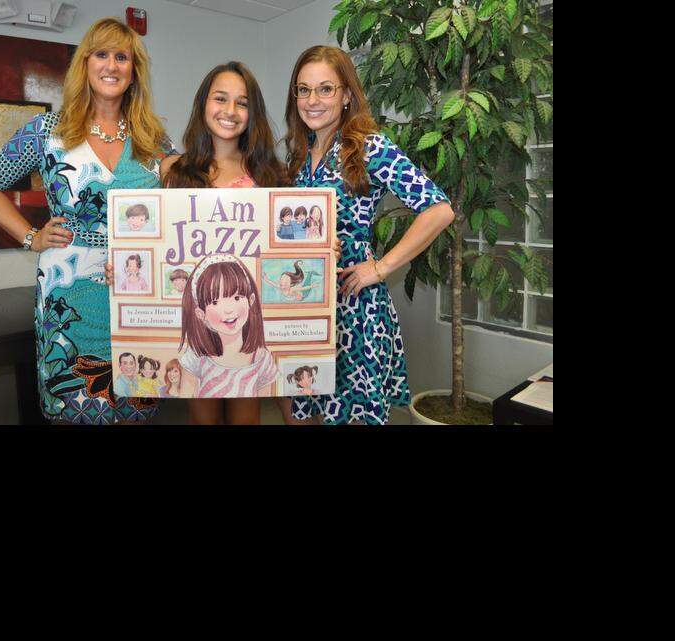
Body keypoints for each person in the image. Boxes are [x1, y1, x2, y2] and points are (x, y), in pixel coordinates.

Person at [107, 61, 334, 424]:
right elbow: (154, 240)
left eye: (242, 103)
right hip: (201, 328)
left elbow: (290, 245)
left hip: (247, 332)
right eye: (220, 99)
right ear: (203, 105)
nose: (230, 111)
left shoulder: (271, 175)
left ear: (252, 113)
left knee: (247, 417)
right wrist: (123, 266)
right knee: (203, 417)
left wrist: (319, 250)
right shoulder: (174, 172)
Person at [0, 17, 173, 424]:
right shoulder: (48, 131)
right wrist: (31, 237)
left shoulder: (154, 140)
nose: (111, 65)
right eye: (101, 55)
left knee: (137, 403)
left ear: (134, 71)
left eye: (122, 57)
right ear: (85, 64)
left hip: (137, 291)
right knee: (76, 406)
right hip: (69, 296)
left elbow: (183, 207)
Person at [281, 45, 455, 425]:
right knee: (310, 404)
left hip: (353, 303)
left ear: (346, 95)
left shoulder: (368, 147)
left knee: (351, 412)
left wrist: (380, 268)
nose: (312, 100)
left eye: (325, 89)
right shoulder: (299, 154)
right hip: (307, 302)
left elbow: (439, 210)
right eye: (303, 90)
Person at [177, 253, 278, 398]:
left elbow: (264, 402)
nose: (229, 309)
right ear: (201, 313)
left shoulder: (262, 359)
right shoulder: (196, 356)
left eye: (237, 297)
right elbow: (185, 398)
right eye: (215, 302)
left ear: (251, 300)